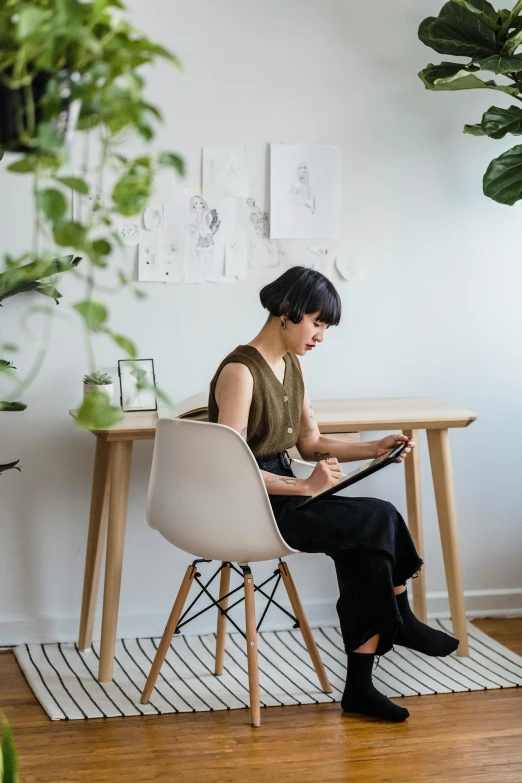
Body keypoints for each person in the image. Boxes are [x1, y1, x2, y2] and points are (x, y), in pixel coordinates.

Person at [208, 266, 459, 723]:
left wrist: (373, 447)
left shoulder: (292, 365)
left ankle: (361, 687)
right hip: (251, 507)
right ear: (287, 311)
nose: (321, 335)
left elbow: (309, 441)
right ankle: (397, 623)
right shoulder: (241, 372)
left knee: (366, 540)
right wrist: (305, 485)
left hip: (285, 497)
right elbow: (229, 465)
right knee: (375, 519)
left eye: (325, 326)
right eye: (317, 322)